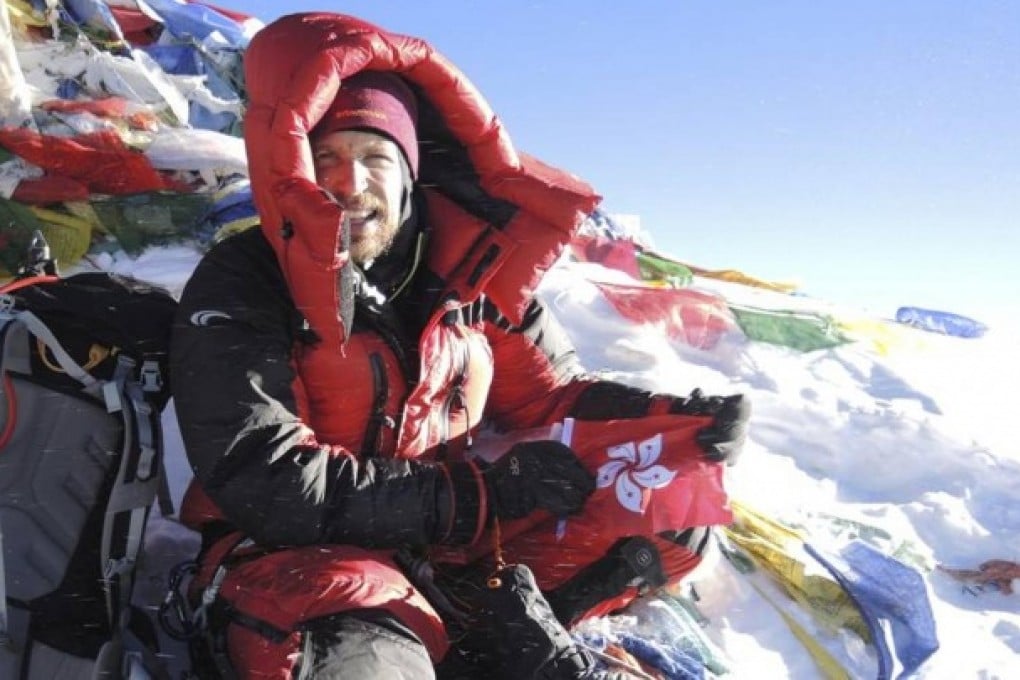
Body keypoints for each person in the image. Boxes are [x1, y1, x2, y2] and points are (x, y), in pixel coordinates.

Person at [171, 11, 749, 679]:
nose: (349, 184)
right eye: (325, 156)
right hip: (297, 557)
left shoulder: (474, 271)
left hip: (445, 550)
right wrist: (478, 497)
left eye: (374, 157)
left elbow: (550, 396)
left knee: (667, 513)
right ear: (289, 167)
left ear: (409, 172)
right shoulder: (247, 279)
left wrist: (680, 419)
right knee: (363, 649)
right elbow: (261, 476)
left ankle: (492, 642)